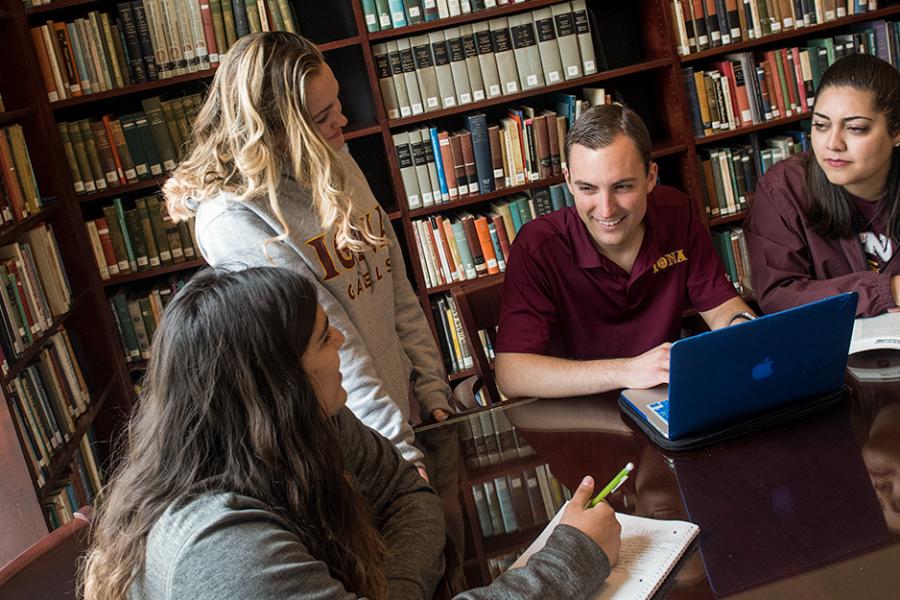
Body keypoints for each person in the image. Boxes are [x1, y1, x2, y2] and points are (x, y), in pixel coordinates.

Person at [80, 267, 623, 600]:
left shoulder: (309, 421)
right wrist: (569, 556)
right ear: (280, 383)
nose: (341, 338)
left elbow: (408, 494)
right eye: (322, 338)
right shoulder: (220, 549)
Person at [163, 33, 452, 491]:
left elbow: (395, 285)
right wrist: (400, 452)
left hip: (398, 420)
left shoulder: (331, 155)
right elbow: (331, 338)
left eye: (336, 103)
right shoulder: (233, 218)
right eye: (322, 117)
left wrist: (431, 388)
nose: (343, 120)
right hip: (345, 450)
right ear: (275, 132)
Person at [495, 104, 755, 399]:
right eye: (587, 189)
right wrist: (628, 370)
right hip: (577, 415)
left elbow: (720, 305)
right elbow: (511, 374)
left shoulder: (676, 211)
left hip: (661, 402)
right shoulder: (536, 247)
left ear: (650, 177)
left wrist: (743, 328)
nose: (606, 209)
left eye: (621, 187)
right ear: (568, 181)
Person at [743, 54, 900, 317]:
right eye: (821, 125)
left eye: (856, 128)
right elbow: (778, 295)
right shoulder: (784, 188)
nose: (833, 144)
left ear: (896, 132)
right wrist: (889, 289)